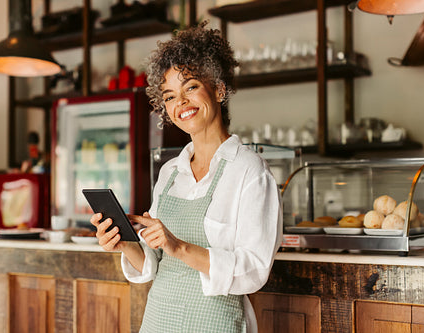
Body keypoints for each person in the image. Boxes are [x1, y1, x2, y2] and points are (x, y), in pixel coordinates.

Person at [90, 22, 282, 333]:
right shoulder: (169, 172)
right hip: (159, 320)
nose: (180, 103)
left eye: (190, 87)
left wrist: (179, 247)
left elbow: (254, 270)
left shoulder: (249, 170)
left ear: (218, 89)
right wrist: (124, 243)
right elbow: (152, 264)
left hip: (216, 323)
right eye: (169, 96)